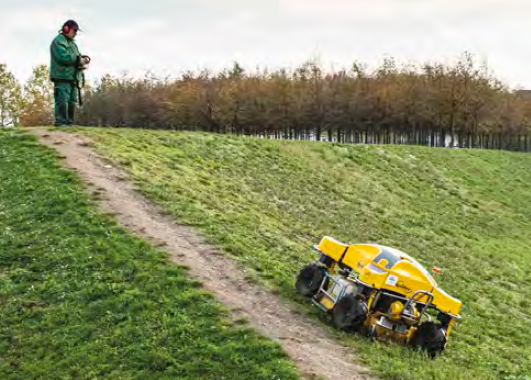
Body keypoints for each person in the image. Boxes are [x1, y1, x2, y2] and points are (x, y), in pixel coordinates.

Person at [49, 20, 90, 126]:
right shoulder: (58, 41)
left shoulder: (73, 44)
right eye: (74, 30)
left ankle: (69, 123)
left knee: (72, 102)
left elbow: (76, 58)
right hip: (62, 77)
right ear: (66, 29)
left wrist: (82, 60)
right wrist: (78, 60)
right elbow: (63, 57)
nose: (76, 33)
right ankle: (61, 122)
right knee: (62, 101)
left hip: (73, 78)